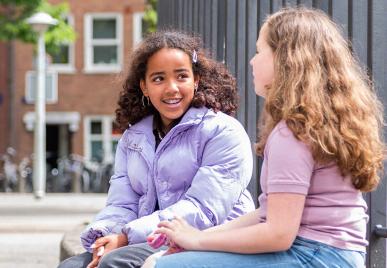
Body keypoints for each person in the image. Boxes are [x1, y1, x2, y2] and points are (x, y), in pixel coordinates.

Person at [147, 7, 385, 268]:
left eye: (260, 52)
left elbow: (278, 234)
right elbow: (267, 213)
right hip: (338, 255)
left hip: (313, 256)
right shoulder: (319, 125)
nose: (252, 61)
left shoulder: (292, 133)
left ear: (287, 60)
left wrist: (198, 242)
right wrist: (196, 237)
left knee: (159, 265)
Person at [57, 30, 255, 268]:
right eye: (159, 79)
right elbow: (123, 203)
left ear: (196, 80)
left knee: (115, 263)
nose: (172, 88)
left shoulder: (223, 131)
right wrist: (106, 235)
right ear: (144, 86)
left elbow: (203, 210)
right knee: (72, 266)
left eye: (181, 76)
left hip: (209, 239)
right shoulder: (133, 138)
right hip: (148, 238)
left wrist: (126, 237)